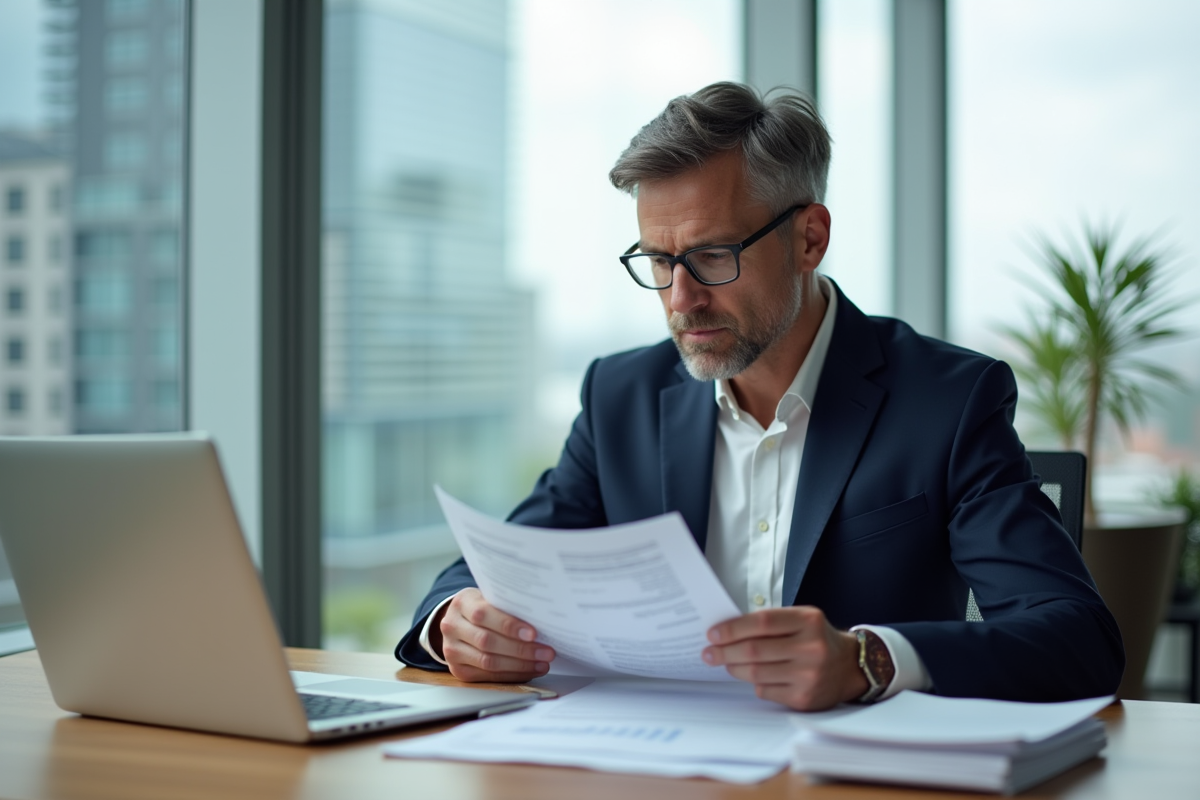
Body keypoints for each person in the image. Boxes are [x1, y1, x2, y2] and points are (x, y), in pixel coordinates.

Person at [394, 82, 1123, 709]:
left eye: (713, 256)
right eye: (658, 260)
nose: (681, 299)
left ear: (809, 239)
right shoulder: (621, 394)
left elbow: (1075, 636)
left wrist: (867, 661)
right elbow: (502, 567)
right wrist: (457, 619)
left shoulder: (948, 400)